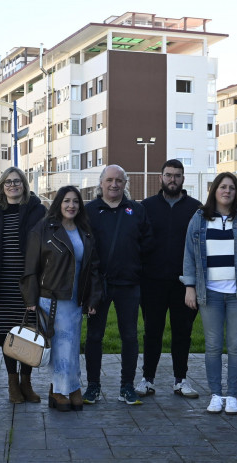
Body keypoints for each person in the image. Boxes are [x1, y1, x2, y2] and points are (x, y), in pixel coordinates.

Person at [21, 186, 102, 411]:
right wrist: (30, 299)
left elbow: (93, 267)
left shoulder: (84, 230)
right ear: (59, 203)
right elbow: (30, 267)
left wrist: (92, 298)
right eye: (66, 201)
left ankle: (73, 387)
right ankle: (58, 390)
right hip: (52, 299)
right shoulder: (44, 229)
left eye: (76, 201)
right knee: (60, 346)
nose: (71, 206)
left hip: (76, 299)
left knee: (72, 345)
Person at [181, 172, 237, 415]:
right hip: (209, 293)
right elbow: (190, 254)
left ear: (236, 192)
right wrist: (190, 287)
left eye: (232, 188)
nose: (227, 191)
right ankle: (215, 394)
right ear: (214, 191)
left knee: (236, 346)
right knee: (213, 346)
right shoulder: (200, 218)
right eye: (222, 187)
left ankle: (232, 395)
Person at [0, 167, 46, 403]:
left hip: (28, 284)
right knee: (8, 334)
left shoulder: (37, 210)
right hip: (1, 283)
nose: (13, 185)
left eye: (17, 181)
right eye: (8, 182)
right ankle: (12, 383)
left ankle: (27, 383)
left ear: (24, 184)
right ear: (2, 186)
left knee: (28, 333)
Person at [83, 165, 153, 406]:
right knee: (94, 336)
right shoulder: (89, 211)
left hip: (129, 284)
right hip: (98, 285)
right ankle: (93, 386)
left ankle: (127, 386)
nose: (114, 185)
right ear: (101, 183)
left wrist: (135, 267)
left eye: (119, 181)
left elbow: (148, 243)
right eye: (110, 180)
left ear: (126, 184)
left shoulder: (137, 210)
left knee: (130, 336)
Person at [136, 160, 202, 399]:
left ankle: (180, 380)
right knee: (152, 331)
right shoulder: (146, 206)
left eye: (177, 175)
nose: (172, 179)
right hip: (151, 281)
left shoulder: (196, 208)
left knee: (182, 332)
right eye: (168, 175)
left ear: (183, 179)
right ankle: (147, 379)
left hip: (184, 284)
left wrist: (193, 282)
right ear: (160, 177)